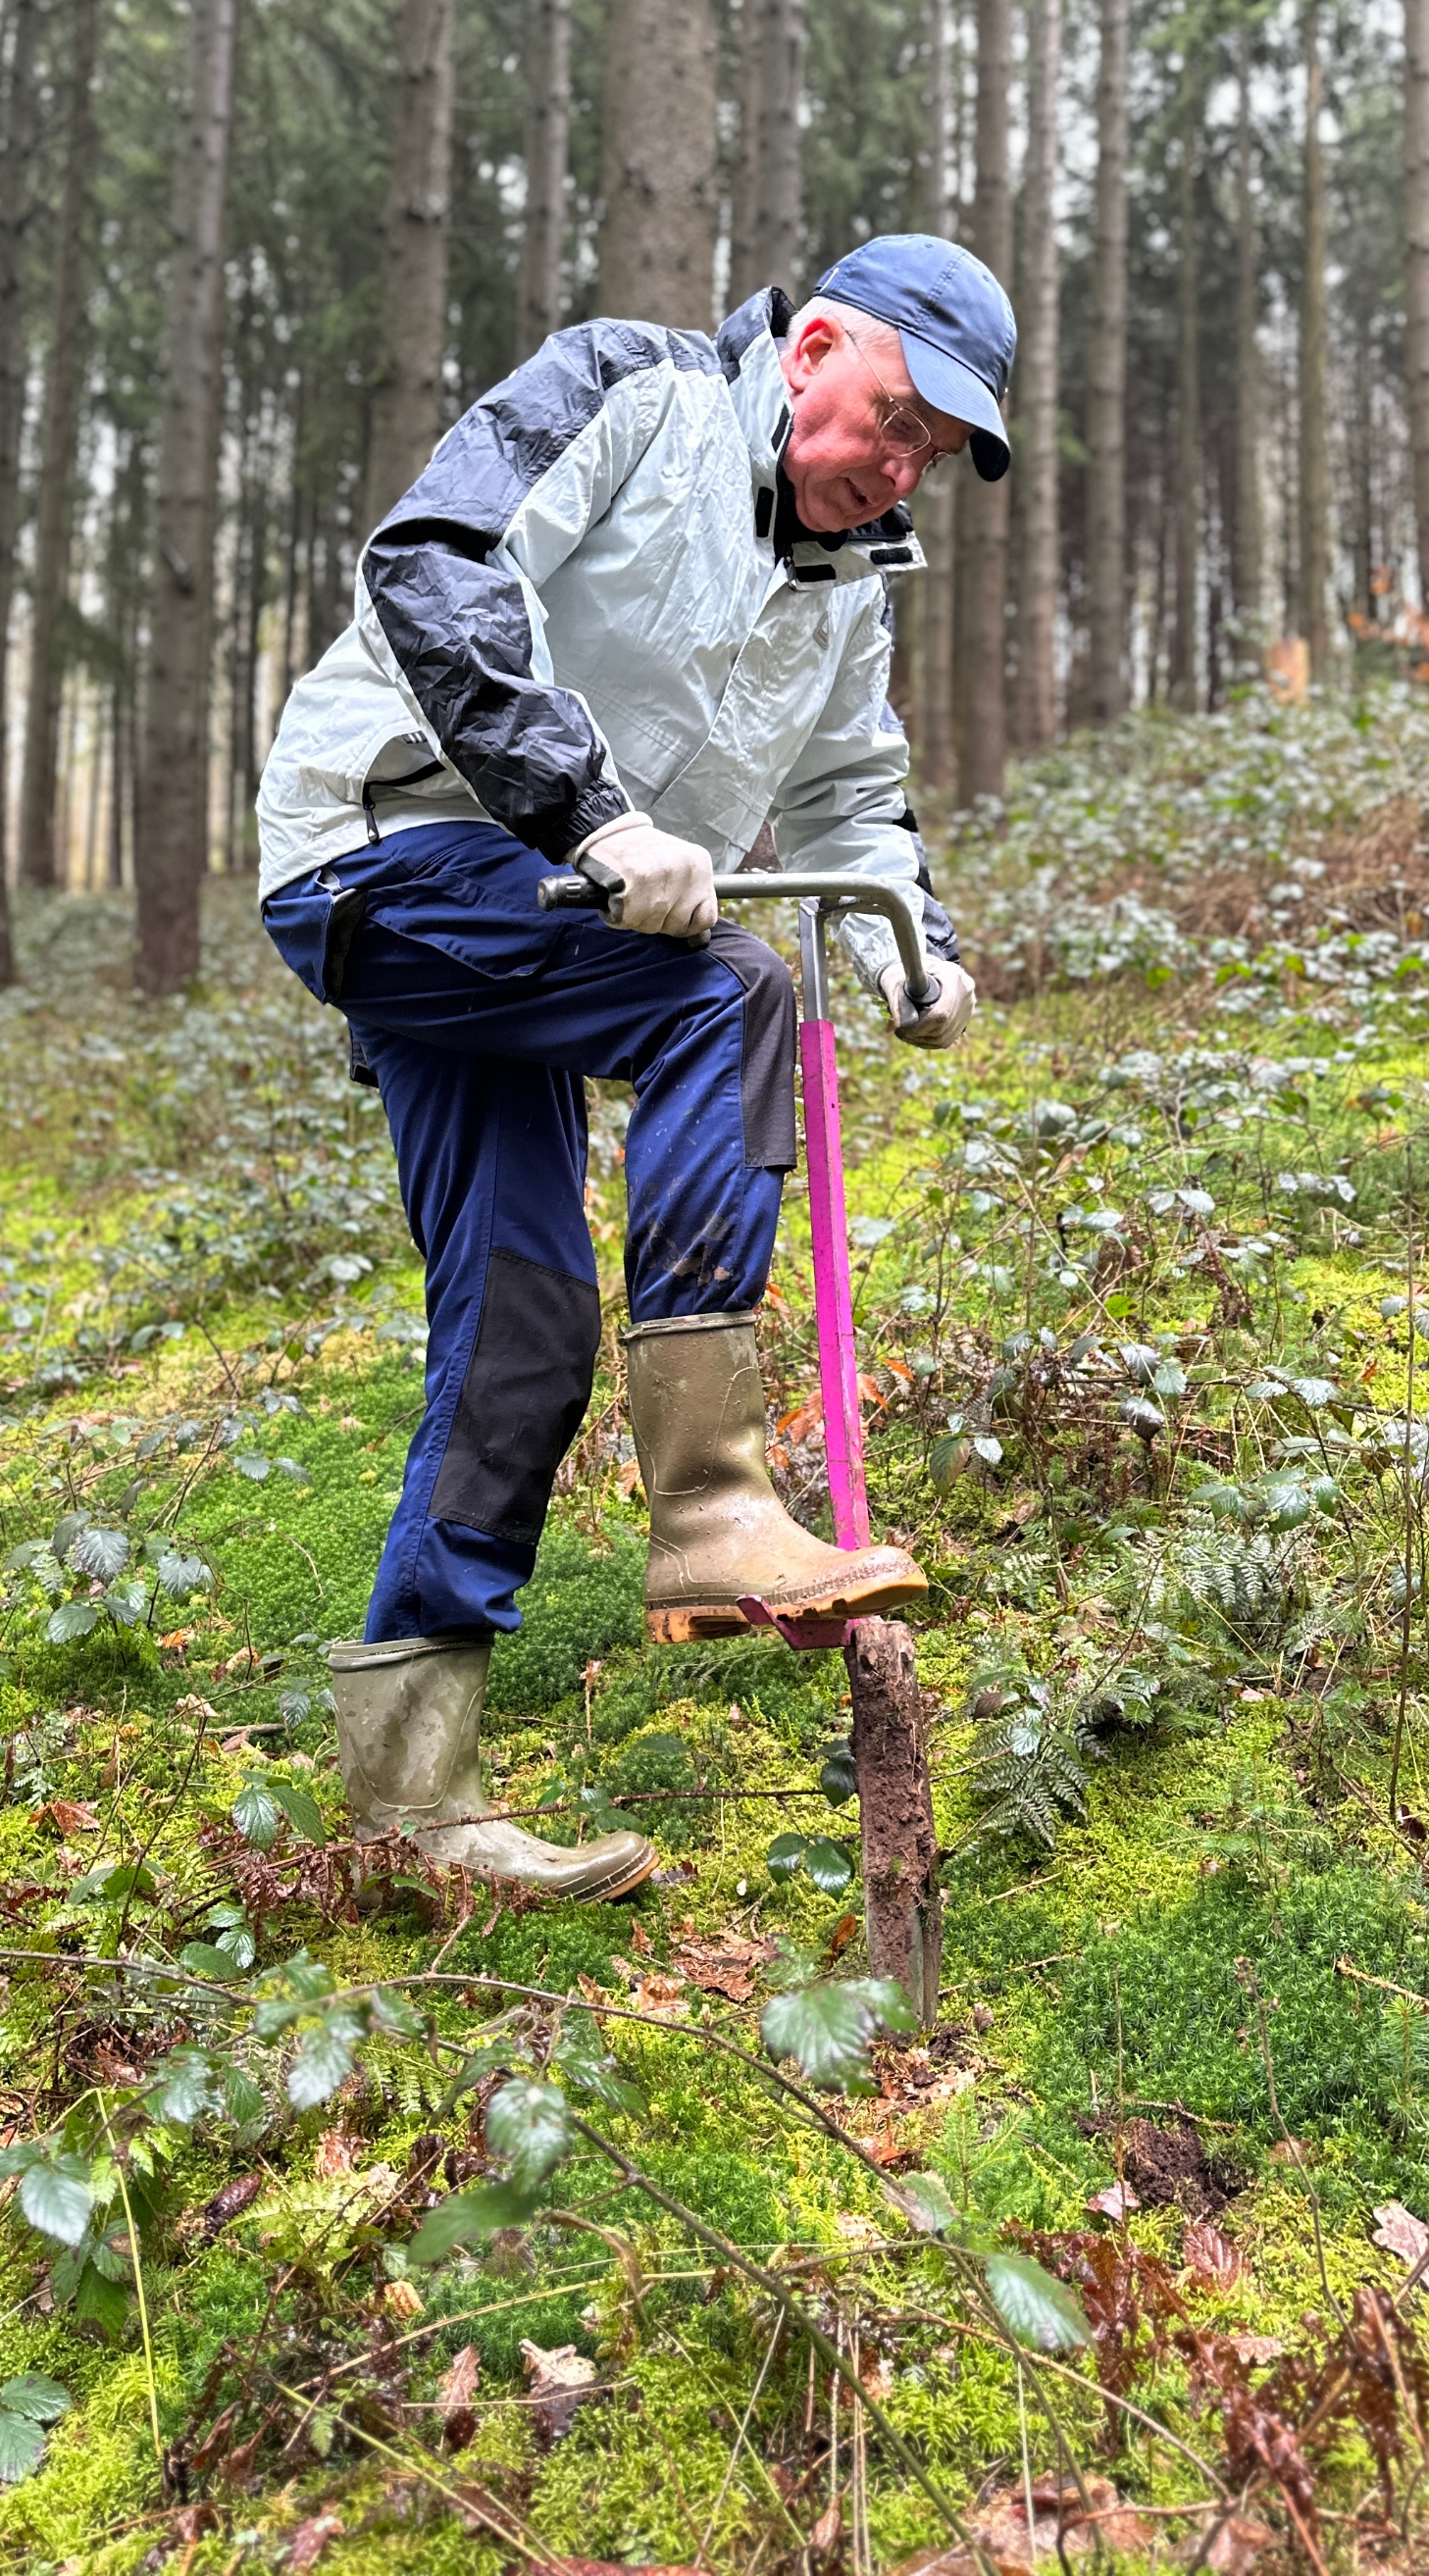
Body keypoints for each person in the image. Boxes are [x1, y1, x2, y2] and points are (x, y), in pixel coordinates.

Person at [258, 233, 1013, 1903]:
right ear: (814, 346)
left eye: (932, 455)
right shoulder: (631, 391)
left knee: (519, 1320)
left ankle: (408, 1803)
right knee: (721, 995)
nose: (900, 468)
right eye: (891, 420)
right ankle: (713, 1505)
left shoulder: (852, 585)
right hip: (388, 859)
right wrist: (591, 814)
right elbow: (434, 562)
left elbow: (851, 793)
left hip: (540, 914)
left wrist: (915, 947)